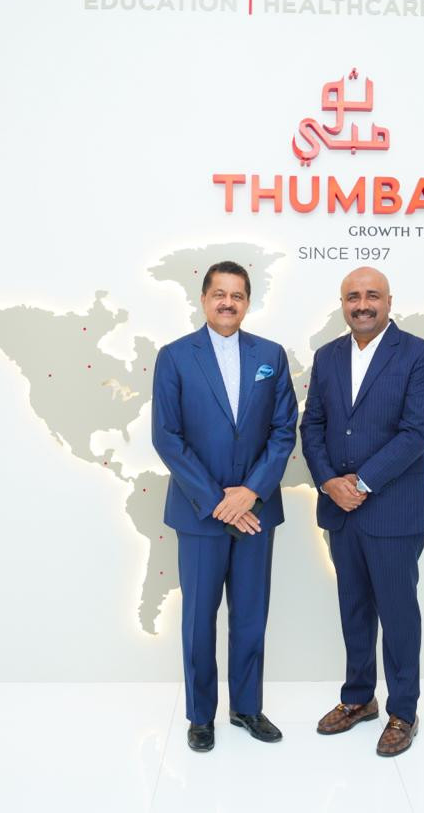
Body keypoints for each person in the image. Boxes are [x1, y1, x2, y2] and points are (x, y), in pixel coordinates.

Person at [151, 260, 298, 753]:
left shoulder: (270, 356)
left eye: (237, 295)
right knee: (198, 619)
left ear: (248, 302)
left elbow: (283, 431)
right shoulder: (175, 357)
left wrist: (250, 492)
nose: (228, 302)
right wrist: (219, 501)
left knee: (251, 615)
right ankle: (200, 716)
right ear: (204, 299)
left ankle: (247, 708)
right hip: (200, 513)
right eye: (219, 294)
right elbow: (167, 438)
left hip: (256, 511)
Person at [300, 266, 424, 757]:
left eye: (372, 295)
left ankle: (403, 711)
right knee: (354, 608)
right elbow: (312, 425)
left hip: (394, 511)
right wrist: (328, 481)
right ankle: (359, 699)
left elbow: (417, 430)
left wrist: (360, 483)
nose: (363, 304)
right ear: (343, 303)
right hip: (340, 510)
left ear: (389, 301)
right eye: (353, 297)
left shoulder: (419, 355)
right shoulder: (327, 357)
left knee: (398, 613)